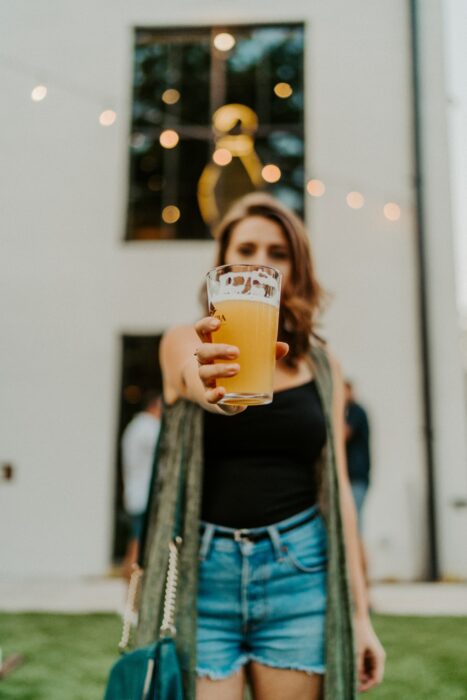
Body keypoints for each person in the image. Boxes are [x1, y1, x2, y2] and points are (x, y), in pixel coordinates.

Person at [136, 193, 385, 700]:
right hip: (204, 578)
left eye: (278, 253)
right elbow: (194, 381)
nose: (260, 263)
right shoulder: (186, 341)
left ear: (296, 268)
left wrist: (360, 617)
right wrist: (219, 392)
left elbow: (337, 490)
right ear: (222, 264)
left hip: (300, 572)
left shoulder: (320, 365)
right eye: (246, 248)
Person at [121, 391, 161, 579]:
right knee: (138, 544)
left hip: (135, 494)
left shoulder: (135, 426)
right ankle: (131, 587)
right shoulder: (148, 427)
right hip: (144, 496)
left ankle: (129, 588)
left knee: (134, 541)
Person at [344, 381, 371, 532]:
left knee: (354, 524)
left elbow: (343, 434)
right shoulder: (349, 412)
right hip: (352, 478)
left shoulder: (355, 411)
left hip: (356, 477)